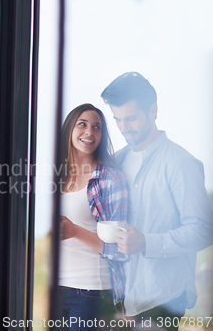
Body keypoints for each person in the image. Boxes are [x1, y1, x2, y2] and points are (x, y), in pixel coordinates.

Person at [101, 72, 213, 330]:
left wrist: (146, 242)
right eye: (117, 119)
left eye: (131, 118)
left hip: (162, 298)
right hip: (119, 299)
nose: (124, 127)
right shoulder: (116, 162)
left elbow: (203, 230)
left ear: (153, 110)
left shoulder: (181, 163)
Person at [57, 103, 129, 330]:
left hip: (91, 292)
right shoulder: (55, 177)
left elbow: (120, 248)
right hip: (56, 288)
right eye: (82, 124)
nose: (89, 132)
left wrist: (75, 232)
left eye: (96, 127)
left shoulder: (111, 180)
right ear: (69, 130)